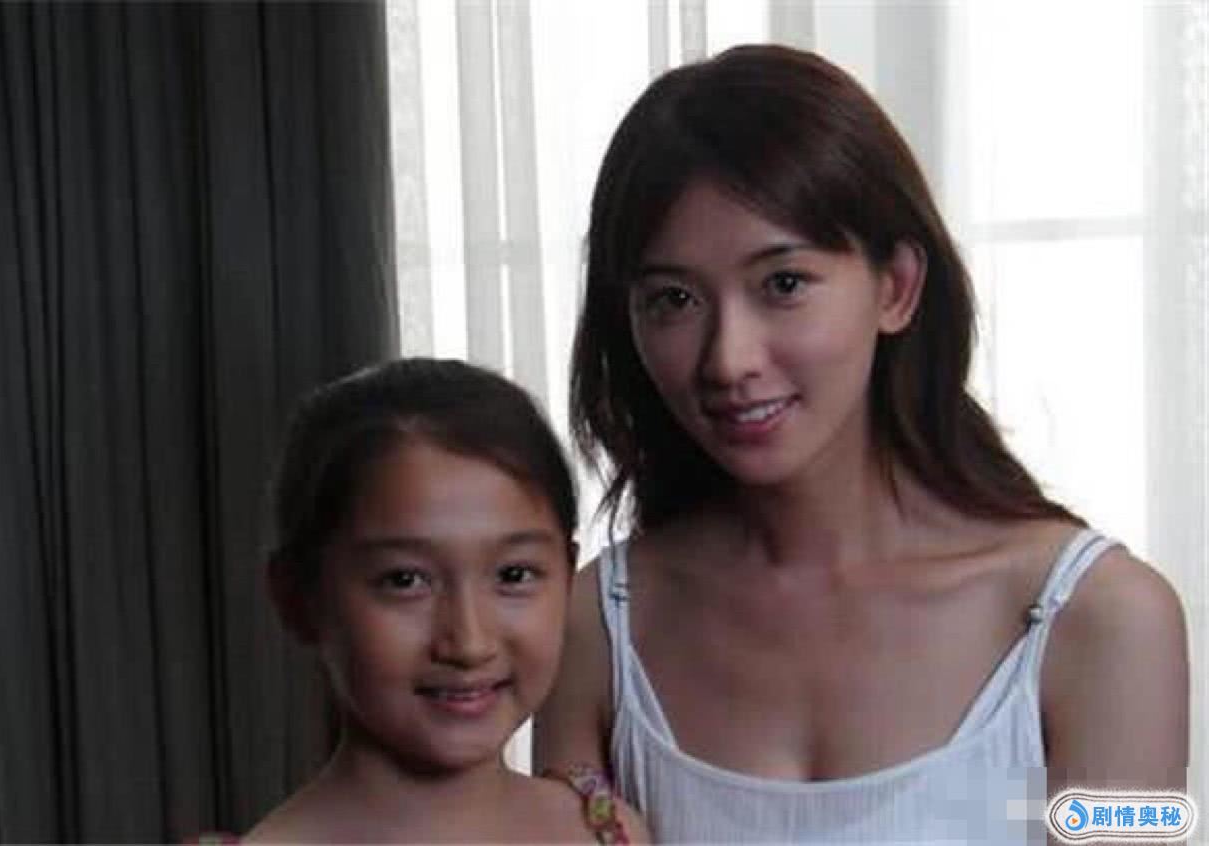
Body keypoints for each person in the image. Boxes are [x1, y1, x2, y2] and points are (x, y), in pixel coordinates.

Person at [533, 45, 1188, 843]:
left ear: (897, 286)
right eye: (673, 299)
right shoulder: (596, 626)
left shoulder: (1103, 621)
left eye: (783, 284)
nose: (728, 359)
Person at [247, 358, 648, 843]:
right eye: (405, 580)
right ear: (297, 599)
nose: (469, 643)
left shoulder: (605, 831)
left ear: (566, 577)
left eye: (514, 575)